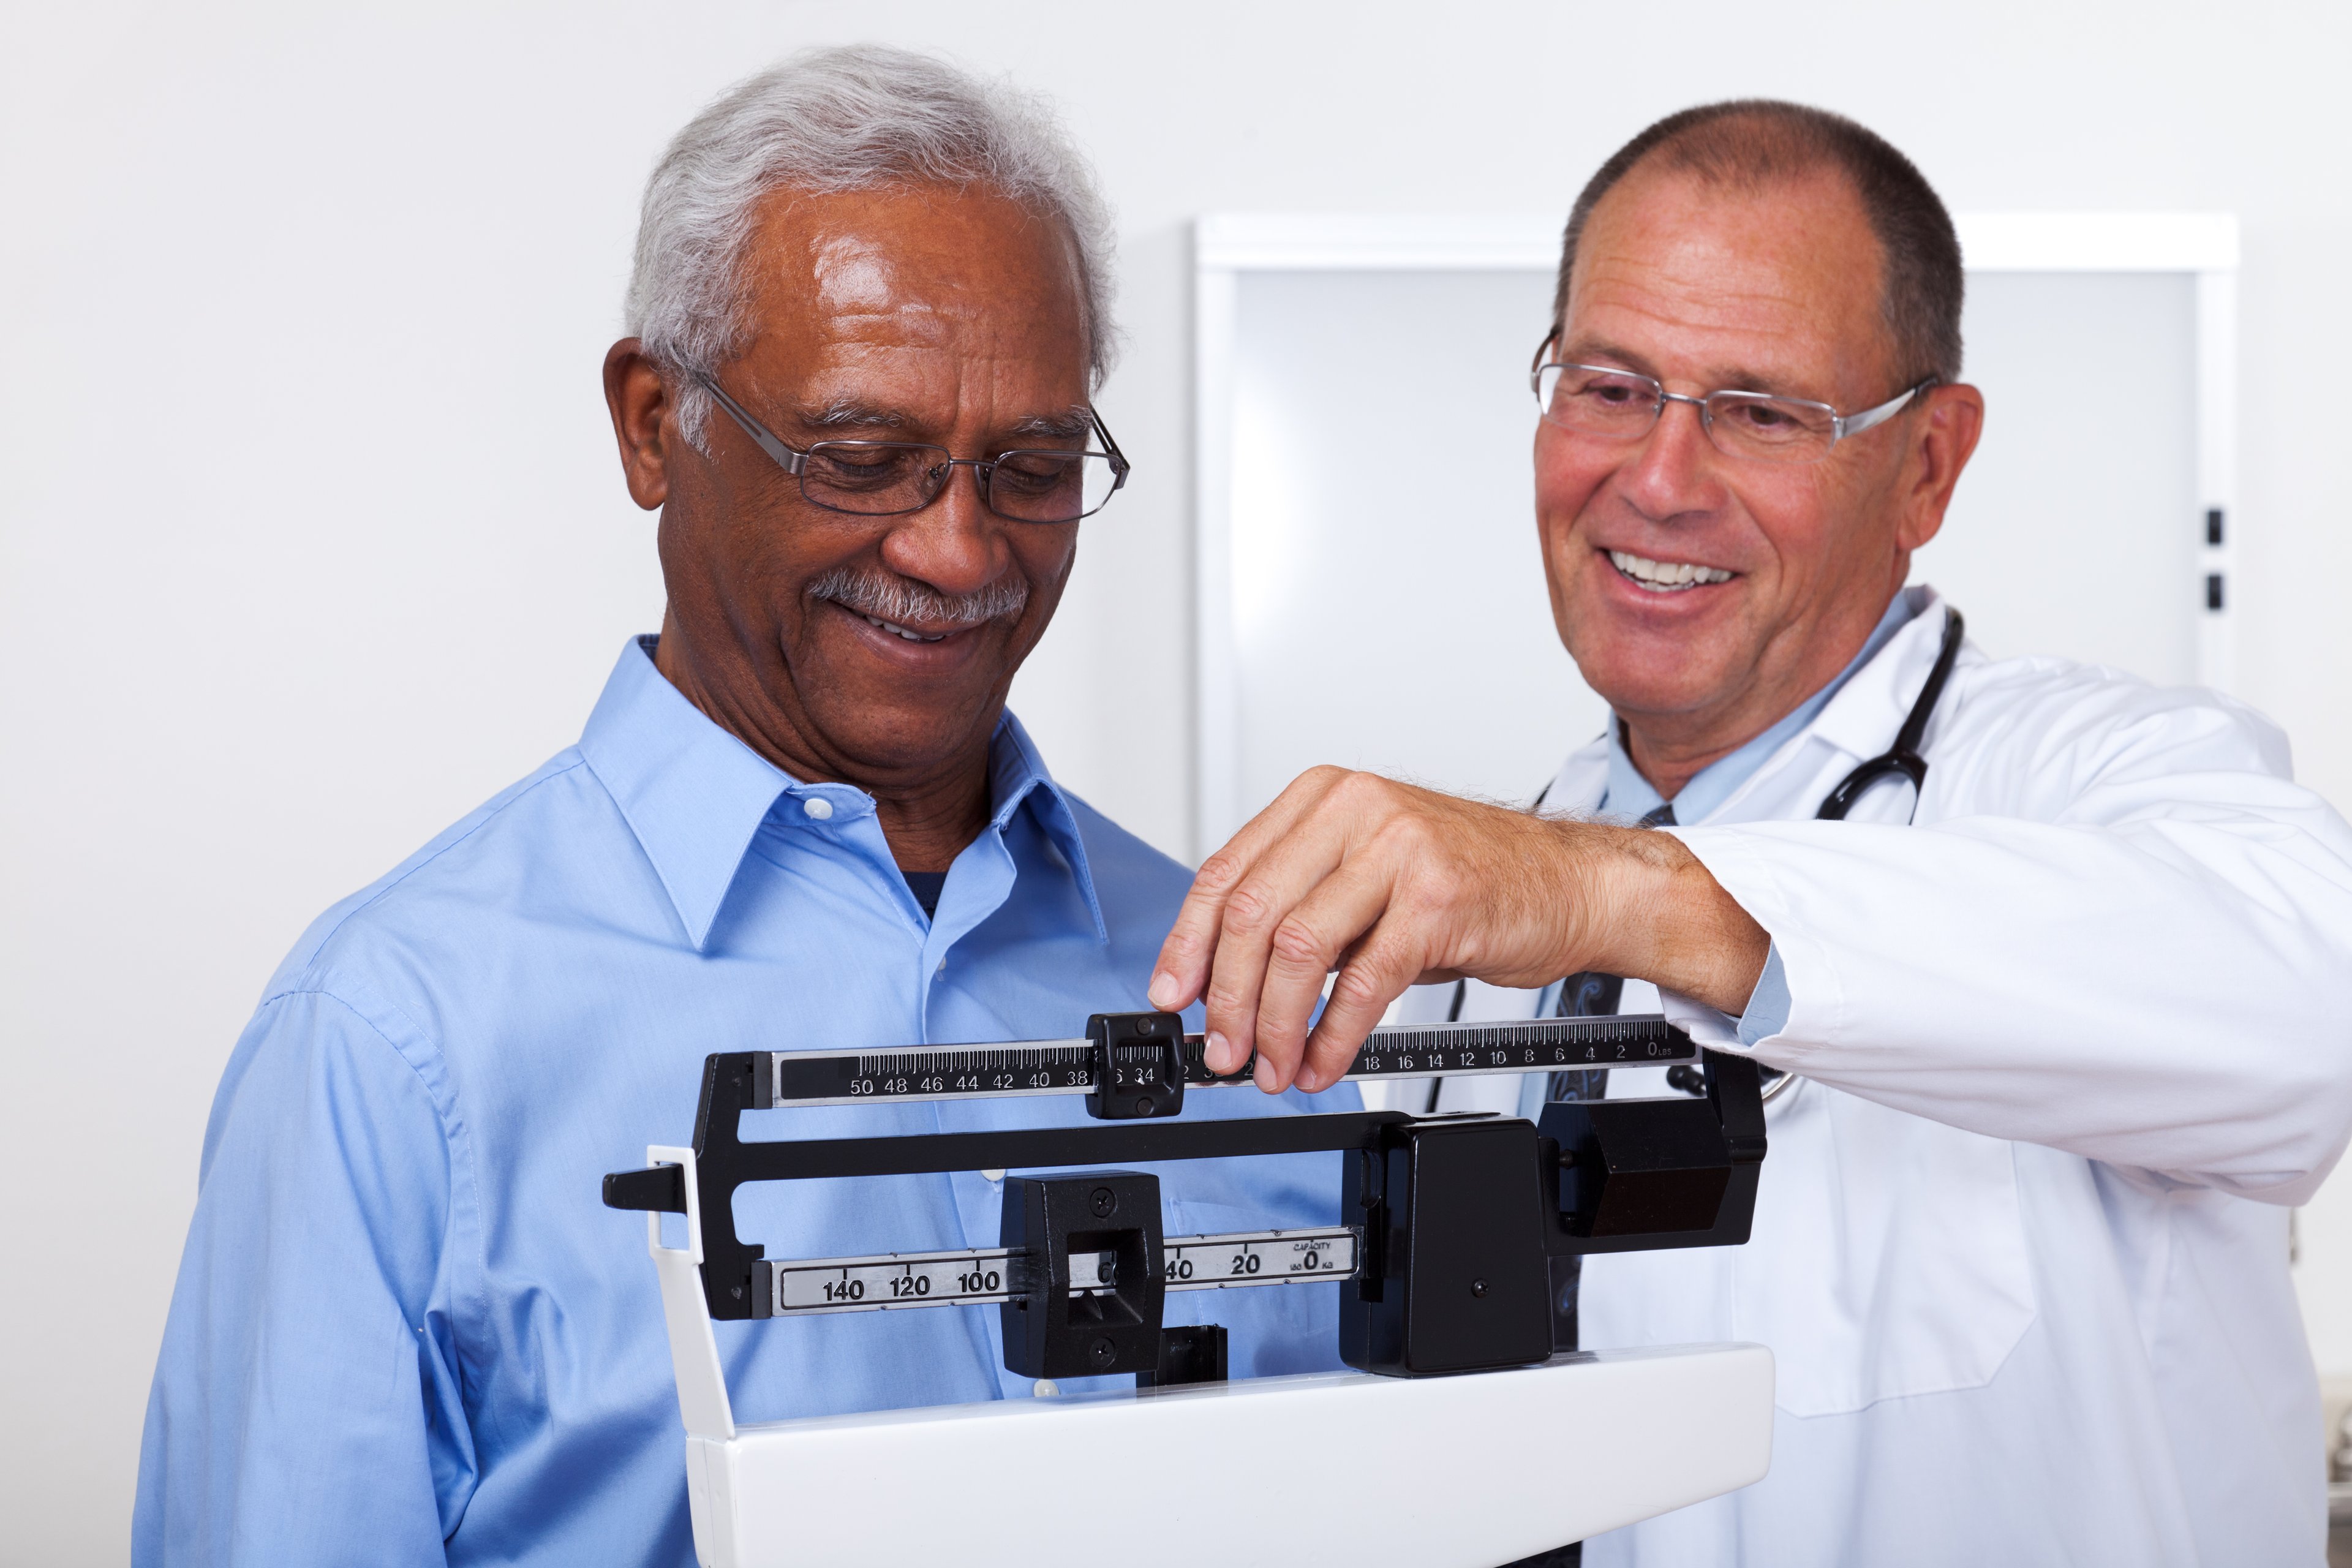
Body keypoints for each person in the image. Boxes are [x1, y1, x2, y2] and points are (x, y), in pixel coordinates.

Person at [134, 47, 1351, 1566]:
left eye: (1032, 467)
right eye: (863, 458)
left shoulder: (1239, 982)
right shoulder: (390, 1040)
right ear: (654, 423)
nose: (961, 552)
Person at [1150, 101, 2352, 1564]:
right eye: (1610, 386)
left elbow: (2307, 1008)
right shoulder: (1480, 907)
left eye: (1763, 409)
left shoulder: (2092, 771)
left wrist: (1627, 896)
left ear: (1928, 464)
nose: (1659, 479)